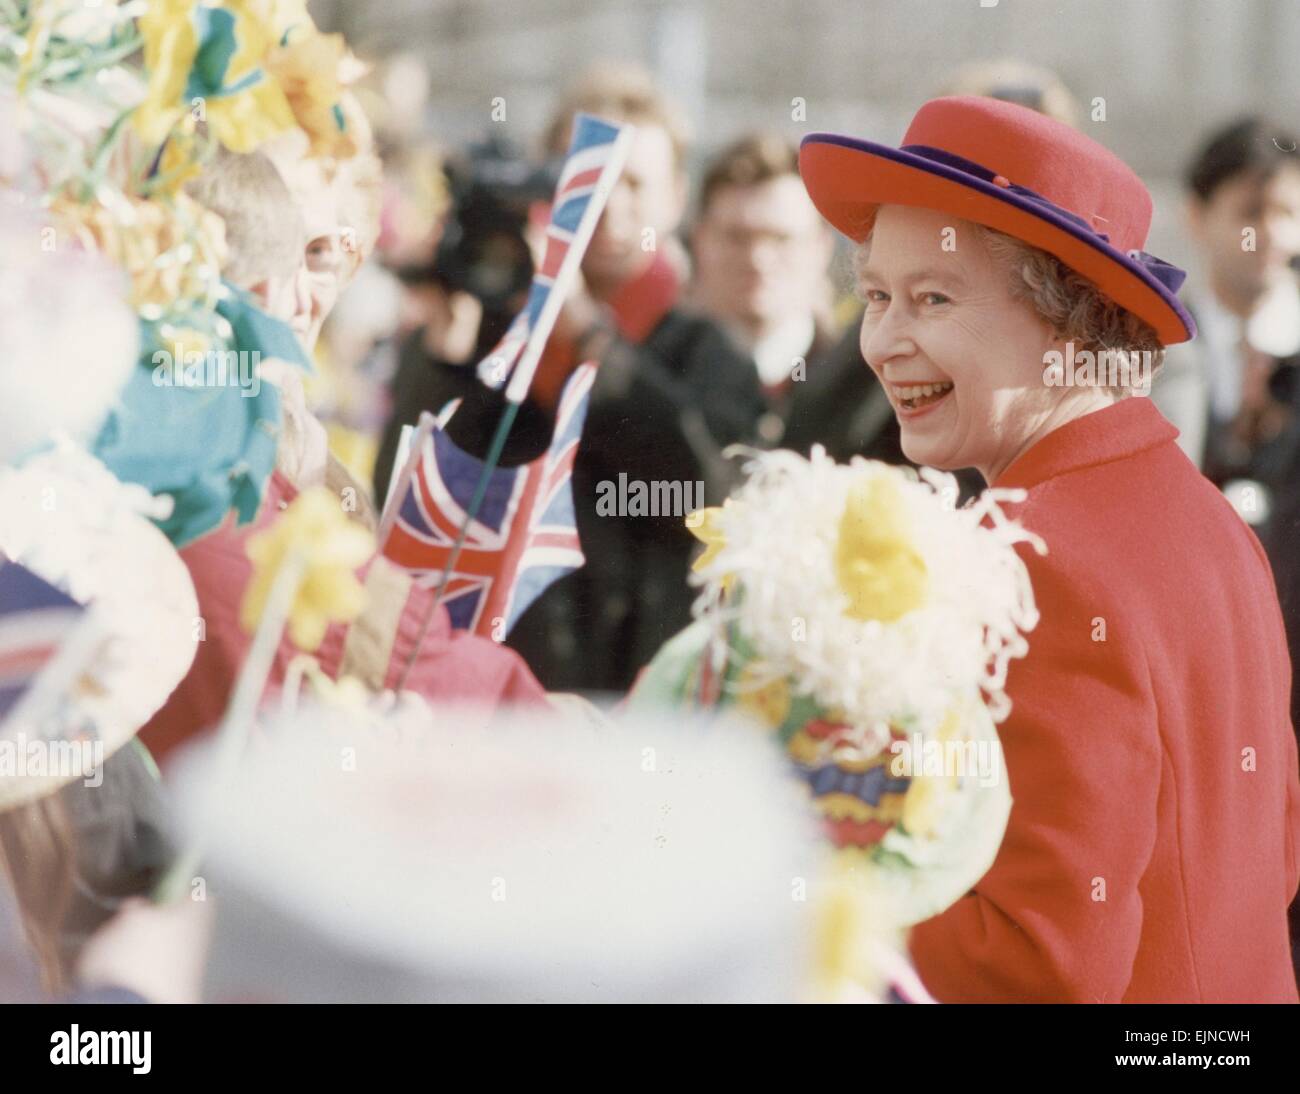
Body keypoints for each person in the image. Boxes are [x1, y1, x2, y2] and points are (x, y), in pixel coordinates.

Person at [800, 95, 1300, 1002]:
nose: (883, 341)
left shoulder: (1025, 558)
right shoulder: (1210, 518)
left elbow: (1034, 967)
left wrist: (814, 868)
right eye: (875, 296)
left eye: (932, 298)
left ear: (1068, 318)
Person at [379, 64, 767, 694]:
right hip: (497, 694)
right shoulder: (492, 343)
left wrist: (587, 338)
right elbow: (407, 500)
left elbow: (707, 491)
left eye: (635, 184)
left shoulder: (706, 348)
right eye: (588, 181)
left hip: (646, 700)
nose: (611, 207)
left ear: (674, 198)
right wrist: (443, 352)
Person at [1151, 117, 1300, 494]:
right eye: (1250, 213)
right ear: (1197, 216)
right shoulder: (1158, 347)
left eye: (1286, 213)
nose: (1269, 234)